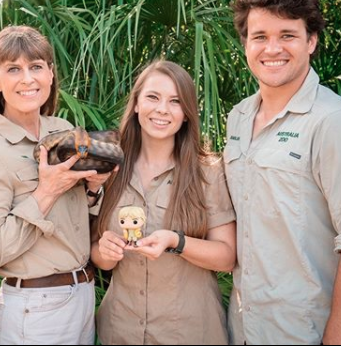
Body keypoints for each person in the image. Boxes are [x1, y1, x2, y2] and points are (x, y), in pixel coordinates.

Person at [224, 0, 341, 345]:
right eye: (260, 36)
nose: (272, 48)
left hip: (305, 334)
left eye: (287, 35)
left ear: (311, 41)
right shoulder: (238, 118)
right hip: (244, 330)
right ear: (245, 43)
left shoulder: (337, 123)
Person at [0, 25, 112, 345]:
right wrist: (46, 191)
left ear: (50, 74)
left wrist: (93, 188)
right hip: (35, 311)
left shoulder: (62, 130)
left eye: (36, 67)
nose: (27, 79)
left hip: (83, 298)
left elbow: (74, 219)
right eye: (13, 69)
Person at [91, 60, 236, 345]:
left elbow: (227, 256)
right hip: (121, 329)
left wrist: (175, 241)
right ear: (136, 105)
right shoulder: (108, 169)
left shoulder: (207, 172)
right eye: (153, 97)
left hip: (188, 333)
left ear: (186, 114)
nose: (162, 109)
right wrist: (104, 253)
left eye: (175, 101)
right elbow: (95, 253)